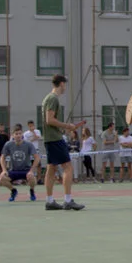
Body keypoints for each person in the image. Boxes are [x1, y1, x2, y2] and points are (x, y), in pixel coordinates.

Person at [41, 74, 85, 210]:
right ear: (61, 84)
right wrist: (67, 126)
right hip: (54, 138)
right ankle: (67, 200)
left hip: (50, 138)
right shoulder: (53, 98)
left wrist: (64, 128)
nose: (65, 87)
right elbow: (49, 120)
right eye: (65, 84)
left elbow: (50, 121)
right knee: (68, 167)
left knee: (51, 169)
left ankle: (49, 201)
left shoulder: (48, 98)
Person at [0, 125, 40, 202]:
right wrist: (4, 170)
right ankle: (13, 191)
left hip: (26, 170)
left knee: (32, 178)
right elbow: (2, 158)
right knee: (2, 178)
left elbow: (37, 157)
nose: (18, 135)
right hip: (13, 170)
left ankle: (32, 191)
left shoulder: (28, 144)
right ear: (13, 135)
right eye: (16, 134)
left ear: (22, 134)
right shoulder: (8, 144)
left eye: (20, 133)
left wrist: (31, 170)